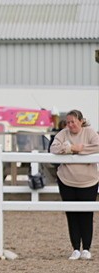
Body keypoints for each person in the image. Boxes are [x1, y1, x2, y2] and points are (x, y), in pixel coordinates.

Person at [49, 109, 99, 260]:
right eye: (68, 122)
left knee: (86, 214)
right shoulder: (63, 133)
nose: (70, 125)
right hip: (66, 181)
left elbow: (97, 146)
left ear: (81, 121)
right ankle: (76, 248)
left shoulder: (90, 132)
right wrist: (70, 148)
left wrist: (80, 149)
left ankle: (87, 248)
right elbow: (53, 148)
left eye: (73, 122)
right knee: (71, 214)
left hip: (89, 181)